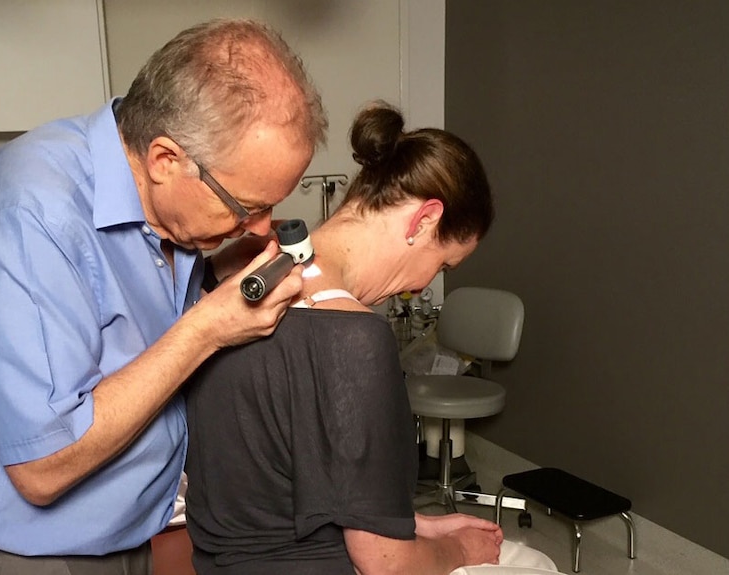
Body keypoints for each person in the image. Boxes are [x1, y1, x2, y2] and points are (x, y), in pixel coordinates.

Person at [0, 19, 327, 575]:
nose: (259, 225)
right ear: (165, 160)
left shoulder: (166, 214)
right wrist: (208, 326)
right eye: (246, 205)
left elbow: (126, 330)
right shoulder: (27, 214)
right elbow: (44, 464)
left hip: (124, 537)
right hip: (24, 555)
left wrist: (213, 267)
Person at [184, 102, 558, 575]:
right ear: (424, 220)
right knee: (535, 562)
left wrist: (414, 522)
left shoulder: (236, 282)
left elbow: (292, 480)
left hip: (223, 560)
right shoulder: (353, 337)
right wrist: (461, 551)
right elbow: (386, 564)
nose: (424, 285)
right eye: (442, 263)